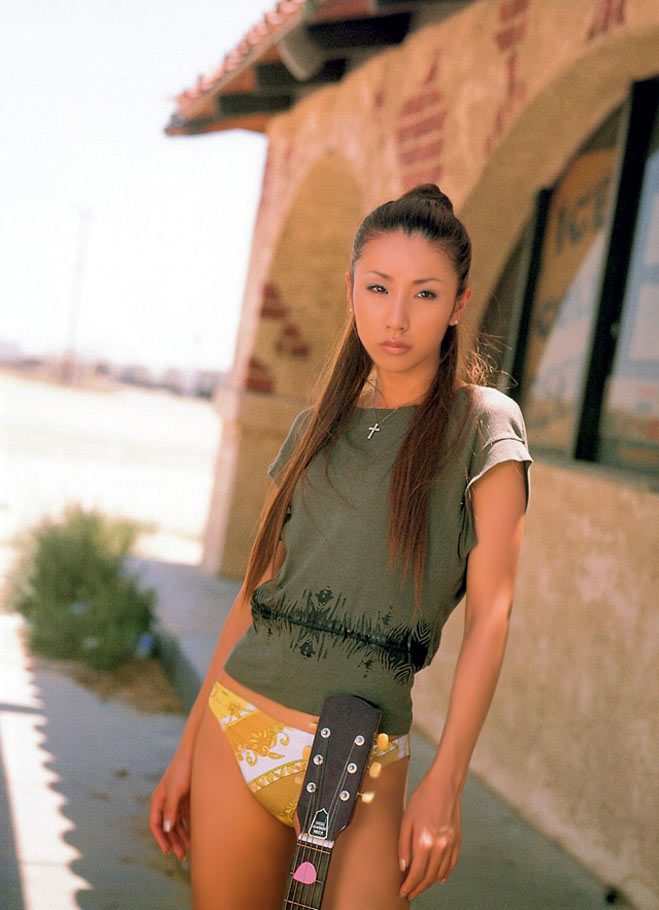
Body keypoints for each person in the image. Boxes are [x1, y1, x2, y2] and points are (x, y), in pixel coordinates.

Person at [149, 184, 532, 908]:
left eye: (424, 294)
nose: (396, 316)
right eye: (378, 287)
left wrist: (446, 782)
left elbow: (492, 616)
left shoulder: (484, 425)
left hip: (369, 751)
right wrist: (187, 750)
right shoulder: (312, 429)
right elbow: (253, 595)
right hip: (240, 726)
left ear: (458, 305)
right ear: (351, 288)